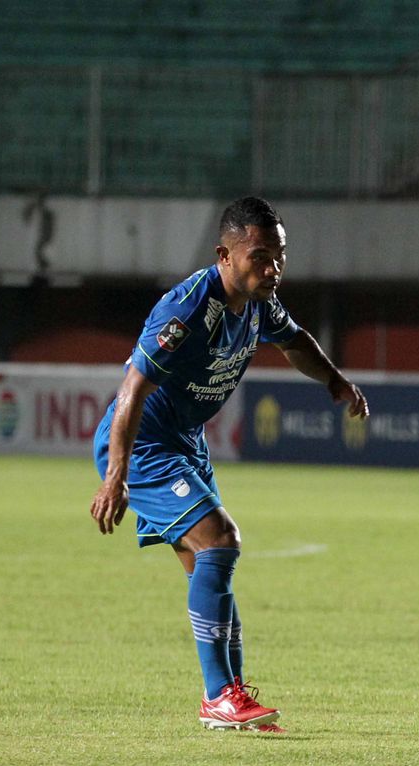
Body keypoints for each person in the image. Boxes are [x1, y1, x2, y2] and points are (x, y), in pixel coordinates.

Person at [90, 196, 368, 733]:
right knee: (221, 540)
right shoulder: (189, 308)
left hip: (184, 441)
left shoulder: (260, 302)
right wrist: (115, 477)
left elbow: (296, 343)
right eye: (260, 257)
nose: (272, 269)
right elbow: (132, 389)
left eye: (279, 257)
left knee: (206, 566)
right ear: (224, 253)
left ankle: (228, 699)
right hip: (146, 442)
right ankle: (221, 695)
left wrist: (334, 380)